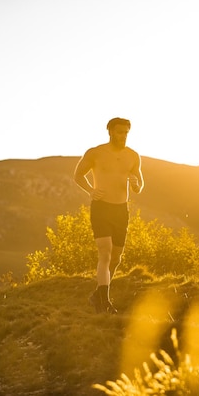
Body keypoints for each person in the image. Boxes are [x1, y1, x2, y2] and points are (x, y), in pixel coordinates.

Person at [74, 117, 144, 313]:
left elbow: (140, 183)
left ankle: (98, 295)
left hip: (121, 210)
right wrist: (90, 190)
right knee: (105, 252)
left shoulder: (133, 156)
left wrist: (136, 185)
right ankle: (104, 303)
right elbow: (78, 175)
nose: (123, 136)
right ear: (110, 132)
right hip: (101, 207)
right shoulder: (95, 153)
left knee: (116, 258)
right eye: (119, 132)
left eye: (126, 133)